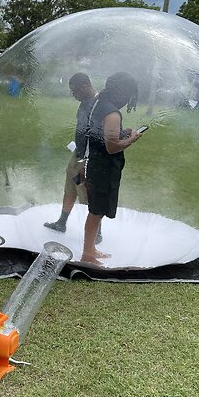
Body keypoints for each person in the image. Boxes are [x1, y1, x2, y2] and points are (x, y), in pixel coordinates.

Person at [79, 72, 144, 265]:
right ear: (122, 93)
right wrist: (131, 139)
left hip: (96, 165)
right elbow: (111, 146)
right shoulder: (112, 112)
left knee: (96, 209)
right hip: (103, 169)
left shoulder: (99, 105)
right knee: (96, 211)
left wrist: (122, 132)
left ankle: (91, 249)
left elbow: (102, 135)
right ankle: (87, 254)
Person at [43, 73, 102, 243]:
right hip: (77, 153)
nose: (73, 95)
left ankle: (97, 233)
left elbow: (99, 136)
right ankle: (61, 223)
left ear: (84, 86)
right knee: (70, 186)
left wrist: (86, 161)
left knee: (87, 193)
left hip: (88, 158)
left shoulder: (99, 105)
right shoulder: (84, 103)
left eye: (74, 91)